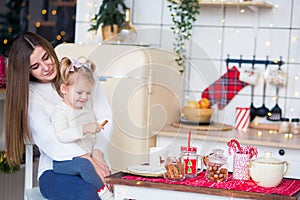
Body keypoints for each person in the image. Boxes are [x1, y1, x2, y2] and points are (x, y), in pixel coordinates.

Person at [4, 32, 113, 200]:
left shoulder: (78, 73)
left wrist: (98, 153)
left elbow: (105, 117)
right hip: (55, 172)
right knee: (88, 194)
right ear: (27, 72)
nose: (46, 67)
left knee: (120, 191)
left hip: (95, 163)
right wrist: (88, 160)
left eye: (46, 57)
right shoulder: (30, 95)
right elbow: (50, 139)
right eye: (35, 66)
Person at [51, 57, 113, 200]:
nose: (84, 97)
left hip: (85, 159)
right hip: (64, 162)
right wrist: (85, 129)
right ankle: (104, 194)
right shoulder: (60, 110)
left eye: (88, 93)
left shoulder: (85, 109)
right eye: (79, 93)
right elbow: (61, 135)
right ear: (64, 89)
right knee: (85, 165)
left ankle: (111, 188)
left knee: (101, 166)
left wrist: (96, 130)